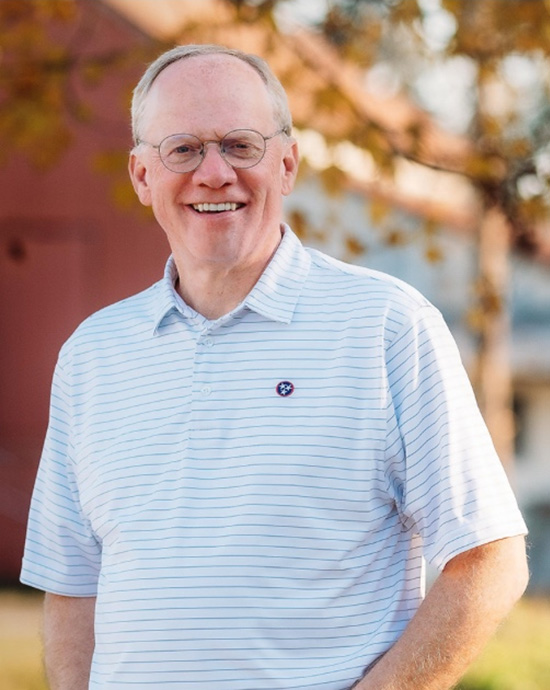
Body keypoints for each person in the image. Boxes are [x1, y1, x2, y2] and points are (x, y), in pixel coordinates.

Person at [21, 44, 528, 690]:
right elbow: (72, 583)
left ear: (287, 164)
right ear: (143, 176)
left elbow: (489, 558)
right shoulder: (92, 355)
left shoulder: (385, 327)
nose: (214, 173)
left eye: (240, 145)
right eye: (183, 149)